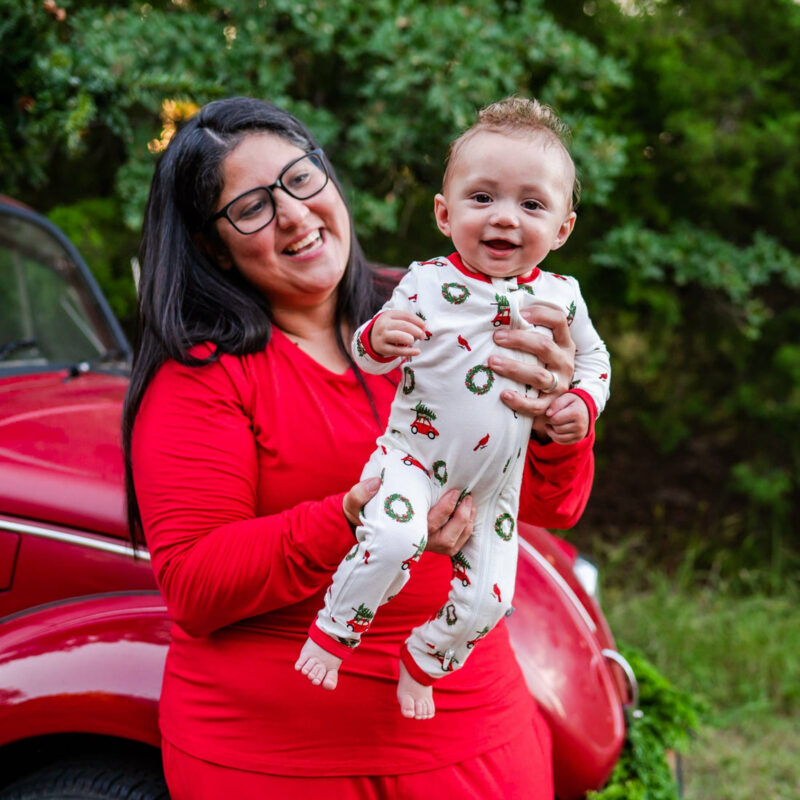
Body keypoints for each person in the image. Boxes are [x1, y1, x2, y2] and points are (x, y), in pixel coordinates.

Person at [123, 95, 598, 800]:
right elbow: (196, 584)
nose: (293, 213)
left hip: (472, 739)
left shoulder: (436, 303)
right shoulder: (202, 377)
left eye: (301, 178)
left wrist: (560, 421)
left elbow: (552, 509)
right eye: (251, 206)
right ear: (211, 244)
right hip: (282, 762)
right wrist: (350, 518)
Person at [296, 97, 610, 720]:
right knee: (392, 538)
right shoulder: (427, 282)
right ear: (444, 213)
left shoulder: (562, 299)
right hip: (415, 459)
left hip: (498, 485)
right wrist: (376, 340)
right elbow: (371, 352)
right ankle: (334, 632)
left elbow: (595, 365)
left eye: (531, 205)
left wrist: (579, 402)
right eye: (482, 198)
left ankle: (425, 661)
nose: (505, 219)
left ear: (563, 229)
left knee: (491, 600)